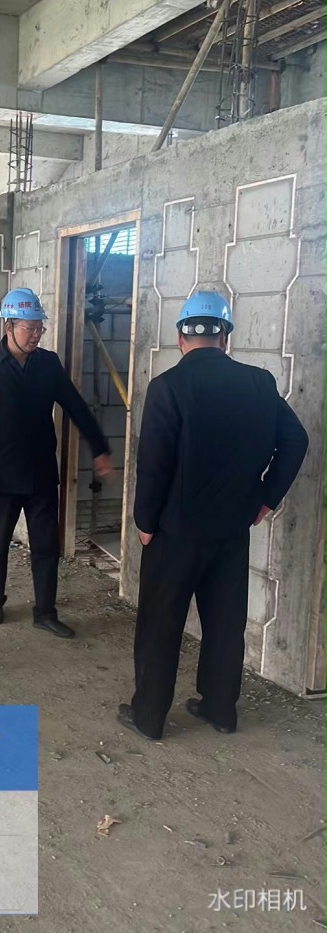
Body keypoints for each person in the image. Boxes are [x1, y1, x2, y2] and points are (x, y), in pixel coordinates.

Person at [118, 290, 308, 741]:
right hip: (231, 529)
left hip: (174, 532)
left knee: (161, 625)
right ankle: (221, 710)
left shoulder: (168, 387)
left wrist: (145, 522)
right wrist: (266, 498)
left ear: (181, 337)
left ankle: (149, 717)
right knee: (225, 623)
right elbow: (296, 440)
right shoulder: (258, 383)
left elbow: (154, 464)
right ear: (226, 337)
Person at [0, 287, 113, 639]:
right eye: (29, 328)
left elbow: (75, 406)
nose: (35, 335)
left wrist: (99, 447)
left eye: (39, 328)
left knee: (46, 545)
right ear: (8, 326)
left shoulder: (48, 364)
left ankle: (45, 611)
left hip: (42, 471)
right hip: (1, 474)